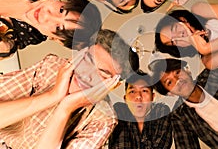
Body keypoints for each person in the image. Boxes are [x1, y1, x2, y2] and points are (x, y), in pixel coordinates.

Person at [0, 29, 140, 148]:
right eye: (87, 60)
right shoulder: (52, 66)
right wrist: (53, 96)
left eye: (101, 73)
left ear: (114, 84)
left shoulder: (104, 120)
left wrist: (66, 107)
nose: (86, 73)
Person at [109, 71, 172, 148]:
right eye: (132, 91)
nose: (138, 96)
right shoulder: (119, 111)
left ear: (152, 97)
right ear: (125, 99)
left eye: (144, 90)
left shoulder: (161, 112)